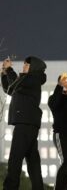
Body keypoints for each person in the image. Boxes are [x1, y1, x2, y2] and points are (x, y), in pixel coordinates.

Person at [1, 56, 46, 190]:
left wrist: (9, 69)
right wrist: (4, 74)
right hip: (29, 124)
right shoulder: (28, 80)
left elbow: (14, 84)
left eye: (27, 65)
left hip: (25, 124)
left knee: (15, 160)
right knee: (33, 164)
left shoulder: (32, 78)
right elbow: (9, 89)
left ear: (33, 67)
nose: (24, 67)